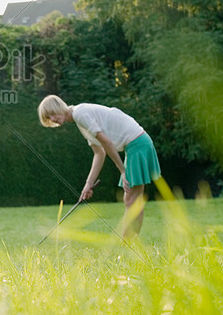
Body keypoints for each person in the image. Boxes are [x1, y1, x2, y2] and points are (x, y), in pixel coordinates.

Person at [37, 95, 162, 239]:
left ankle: (127, 245)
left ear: (58, 107)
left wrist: (122, 170)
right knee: (133, 200)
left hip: (137, 143)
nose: (52, 119)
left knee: (132, 200)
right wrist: (88, 185)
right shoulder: (80, 120)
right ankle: (131, 243)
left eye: (51, 114)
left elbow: (107, 143)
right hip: (136, 144)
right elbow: (99, 153)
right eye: (48, 118)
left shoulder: (80, 113)